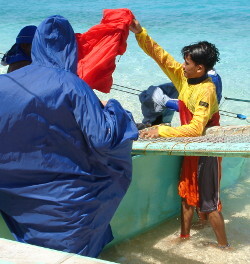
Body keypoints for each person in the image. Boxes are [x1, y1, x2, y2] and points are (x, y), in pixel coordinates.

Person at [0, 15, 138, 257]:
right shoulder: (71, 84)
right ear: (70, 48)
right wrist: (116, 110)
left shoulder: (4, 83)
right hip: (67, 209)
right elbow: (104, 138)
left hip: (14, 201)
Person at [130, 19, 230, 248]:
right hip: (189, 146)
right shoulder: (184, 78)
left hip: (208, 150)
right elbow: (160, 56)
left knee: (209, 203)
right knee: (185, 193)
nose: (182, 66)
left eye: (187, 63)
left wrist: (161, 130)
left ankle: (225, 247)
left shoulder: (207, 89)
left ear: (200, 68)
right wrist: (139, 33)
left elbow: (196, 128)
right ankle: (184, 235)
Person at [138, 69, 222, 128]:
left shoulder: (206, 85)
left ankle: (155, 124)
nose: (183, 65)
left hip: (159, 109)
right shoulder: (212, 79)